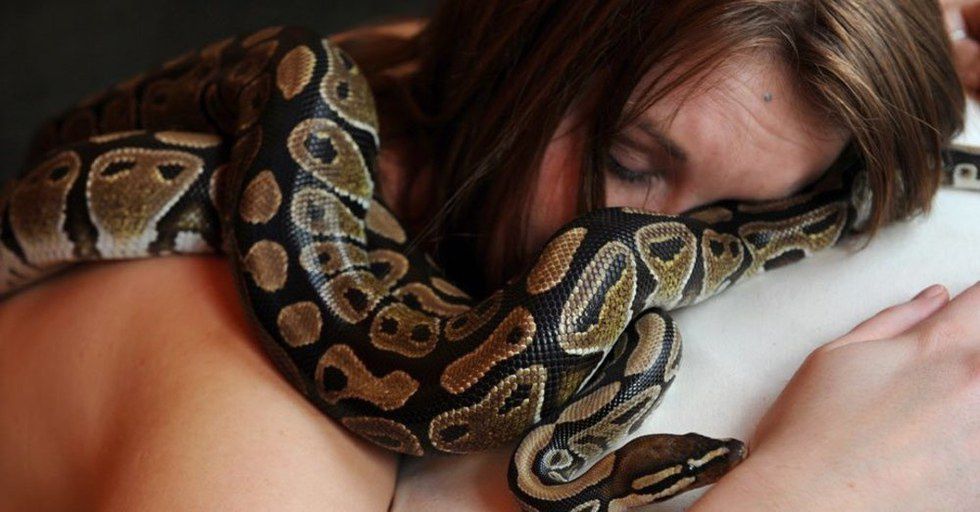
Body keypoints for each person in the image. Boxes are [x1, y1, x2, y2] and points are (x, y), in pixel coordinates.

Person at [0, 1, 977, 511]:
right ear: (521, 54)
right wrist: (807, 495)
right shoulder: (253, 419)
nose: (652, 249)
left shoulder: (401, 85)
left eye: (737, 212)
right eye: (631, 161)